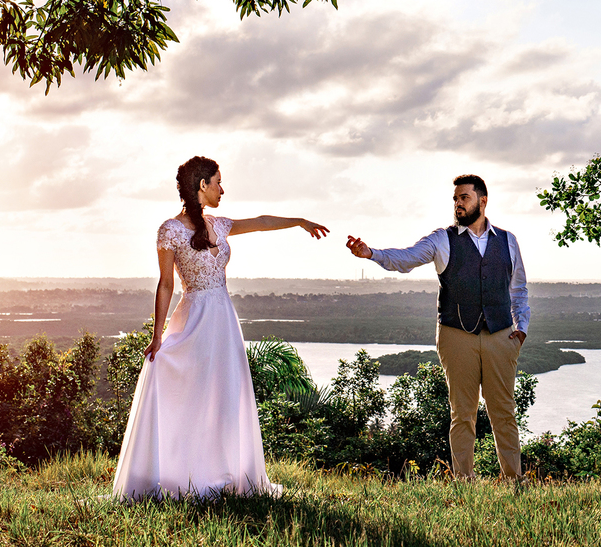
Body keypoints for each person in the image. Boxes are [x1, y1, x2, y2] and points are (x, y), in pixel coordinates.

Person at [112, 156, 329, 500]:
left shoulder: (219, 224)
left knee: (224, 395)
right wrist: (157, 336)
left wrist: (299, 221)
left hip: (223, 319)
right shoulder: (170, 230)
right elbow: (166, 285)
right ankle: (184, 473)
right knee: (192, 393)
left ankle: (222, 471)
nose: (222, 189)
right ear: (202, 186)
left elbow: (259, 222)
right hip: (193, 318)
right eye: (218, 182)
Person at [345, 174, 529, 479]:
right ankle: (463, 483)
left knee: (504, 413)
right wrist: (371, 254)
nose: (458, 204)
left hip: (501, 336)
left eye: (464, 198)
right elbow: (406, 258)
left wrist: (521, 329)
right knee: (463, 413)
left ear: (483, 201)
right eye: (455, 199)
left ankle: (515, 482)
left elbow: (518, 289)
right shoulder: (442, 239)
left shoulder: (508, 241)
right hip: (456, 336)